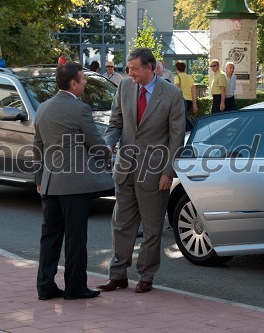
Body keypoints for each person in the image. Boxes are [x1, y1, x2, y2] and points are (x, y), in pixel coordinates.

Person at [97, 48, 185, 294]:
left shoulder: (172, 94)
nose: (130, 72)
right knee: (121, 224)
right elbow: (115, 123)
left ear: (150, 67)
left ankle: (146, 276)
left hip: (155, 172)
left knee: (152, 227)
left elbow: (176, 138)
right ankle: (118, 275)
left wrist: (168, 171)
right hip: (124, 168)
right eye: (128, 68)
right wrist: (107, 144)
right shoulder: (124, 87)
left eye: (134, 68)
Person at [33, 62, 113, 301]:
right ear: (73, 83)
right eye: (83, 80)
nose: (85, 83)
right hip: (75, 185)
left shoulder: (43, 108)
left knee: (50, 238)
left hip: (49, 183)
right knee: (76, 238)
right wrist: (108, 152)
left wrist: (39, 179)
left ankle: (45, 287)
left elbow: (37, 148)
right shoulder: (80, 109)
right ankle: (75, 287)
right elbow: (95, 143)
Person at [174, 61, 198, 131]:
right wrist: (194, 104)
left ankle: (190, 130)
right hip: (189, 101)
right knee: (185, 117)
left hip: (181, 101)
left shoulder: (177, 77)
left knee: (182, 119)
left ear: (176, 68)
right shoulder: (189, 77)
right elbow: (194, 90)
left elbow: (176, 90)